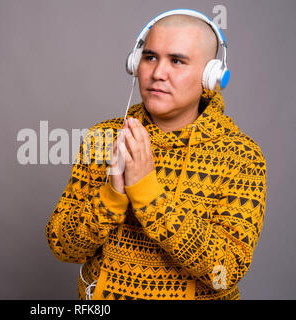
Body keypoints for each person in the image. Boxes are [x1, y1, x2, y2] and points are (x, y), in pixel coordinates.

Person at [46, 9, 267, 300]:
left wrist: (148, 195)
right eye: (150, 57)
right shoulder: (103, 138)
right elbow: (63, 245)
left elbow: (225, 270)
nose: (157, 73)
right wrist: (111, 199)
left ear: (212, 75)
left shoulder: (241, 155)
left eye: (177, 61)